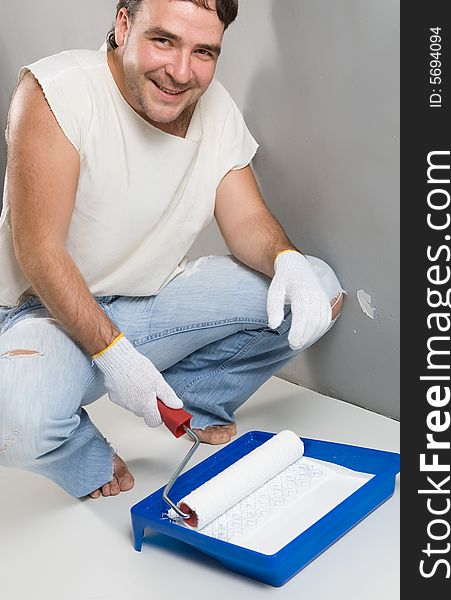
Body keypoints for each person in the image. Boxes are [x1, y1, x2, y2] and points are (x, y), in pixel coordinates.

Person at [0, 0, 343, 499]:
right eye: (164, 40)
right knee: (16, 419)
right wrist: (115, 357)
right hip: (43, 315)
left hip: (147, 305)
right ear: (123, 24)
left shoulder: (215, 108)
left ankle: (195, 401)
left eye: (204, 50)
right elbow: (39, 250)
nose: (181, 72)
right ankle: (91, 462)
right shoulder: (58, 91)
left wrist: (286, 260)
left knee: (319, 288)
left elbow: (246, 218)